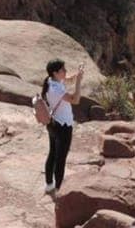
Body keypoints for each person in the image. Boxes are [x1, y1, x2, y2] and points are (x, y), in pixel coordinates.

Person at [42, 59, 83, 193]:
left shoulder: (50, 81)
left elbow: (67, 80)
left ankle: (49, 184)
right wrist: (79, 82)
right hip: (63, 127)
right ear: (55, 73)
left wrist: (77, 74)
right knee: (61, 159)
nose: (65, 72)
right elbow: (75, 100)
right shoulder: (56, 90)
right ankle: (59, 189)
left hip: (54, 123)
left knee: (53, 153)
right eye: (63, 70)